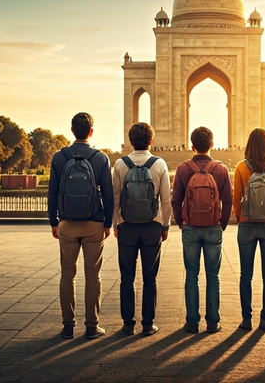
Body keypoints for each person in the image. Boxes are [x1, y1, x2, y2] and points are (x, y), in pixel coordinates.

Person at [48, 112, 114, 340]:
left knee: (68, 275)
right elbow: (108, 193)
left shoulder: (59, 157)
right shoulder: (100, 158)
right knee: (93, 276)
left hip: (67, 223)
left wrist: (54, 221)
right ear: (91, 132)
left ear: (72, 130)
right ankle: (91, 326)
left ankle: (68, 326)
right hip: (93, 223)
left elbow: (53, 192)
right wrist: (107, 223)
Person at [112, 122, 172, 336]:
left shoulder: (120, 164)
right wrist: (165, 225)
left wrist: (115, 224)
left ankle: (128, 324)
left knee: (127, 277)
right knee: (150, 278)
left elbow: (116, 198)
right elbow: (166, 200)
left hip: (126, 226)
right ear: (151, 140)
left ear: (130, 141)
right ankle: (148, 324)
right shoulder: (159, 164)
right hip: (151, 227)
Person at [172, 126, 233, 333]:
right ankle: (213, 322)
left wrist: (182, 222)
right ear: (212, 145)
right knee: (213, 275)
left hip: (190, 227)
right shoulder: (221, 169)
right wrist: (221, 223)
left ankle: (192, 322)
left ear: (192, 146)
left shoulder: (182, 168)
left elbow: (175, 200)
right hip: (213, 227)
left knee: (191, 275)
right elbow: (229, 199)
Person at [233, 128, 265, 332]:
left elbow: (236, 202)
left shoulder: (241, 167)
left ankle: (247, 319)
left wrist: (243, 218)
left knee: (246, 274)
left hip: (246, 226)